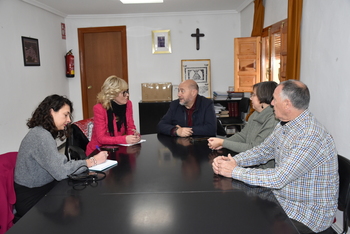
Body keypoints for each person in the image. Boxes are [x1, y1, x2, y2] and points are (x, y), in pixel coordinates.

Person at [212, 80, 338, 234]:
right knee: (234, 216)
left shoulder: (310, 137)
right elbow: (263, 151)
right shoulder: (284, 124)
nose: (271, 103)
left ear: (287, 104)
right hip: (281, 200)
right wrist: (233, 161)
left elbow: (278, 178)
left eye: (274, 99)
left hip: (305, 214)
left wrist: (234, 171)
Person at [14, 95, 108, 219]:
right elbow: (61, 171)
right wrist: (92, 161)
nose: (69, 120)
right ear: (51, 111)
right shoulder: (41, 136)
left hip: (44, 189)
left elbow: (59, 167)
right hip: (33, 199)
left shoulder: (41, 133)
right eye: (66, 115)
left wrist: (85, 163)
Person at [208, 81, 278, 156]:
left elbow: (254, 148)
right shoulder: (256, 113)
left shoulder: (273, 120)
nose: (250, 98)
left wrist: (223, 143)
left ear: (263, 97)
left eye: (253, 95)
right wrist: (222, 142)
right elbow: (243, 136)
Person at [86, 75, 140, 155]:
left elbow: (130, 127)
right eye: (124, 93)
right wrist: (125, 139)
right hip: (99, 150)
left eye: (127, 91)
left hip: (118, 149)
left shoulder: (128, 104)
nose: (127, 95)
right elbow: (101, 139)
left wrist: (134, 136)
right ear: (113, 94)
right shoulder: (99, 108)